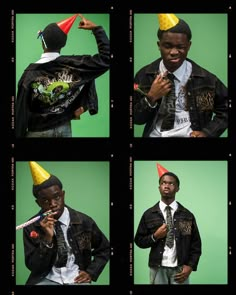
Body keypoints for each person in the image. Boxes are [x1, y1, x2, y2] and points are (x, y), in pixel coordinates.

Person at [15, 13, 110, 137]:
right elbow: (106, 58)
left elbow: (20, 113)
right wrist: (96, 29)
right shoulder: (75, 65)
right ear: (62, 44)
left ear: (43, 43)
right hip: (64, 128)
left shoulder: (29, 75)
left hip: (38, 131)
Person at [133, 13, 228, 137]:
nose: (173, 52)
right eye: (167, 46)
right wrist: (150, 98)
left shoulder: (206, 79)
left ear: (188, 46)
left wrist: (208, 133)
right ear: (159, 45)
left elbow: (226, 108)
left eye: (180, 47)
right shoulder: (144, 76)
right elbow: (136, 119)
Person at [22, 161, 110, 285]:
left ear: (63, 195)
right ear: (39, 203)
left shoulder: (84, 221)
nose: (52, 204)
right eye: (46, 201)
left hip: (76, 278)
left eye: (57, 197)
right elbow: (33, 266)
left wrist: (91, 272)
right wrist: (47, 239)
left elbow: (105, 248)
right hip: (46, 279)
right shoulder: (31, 227)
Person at [134, 164, 202, 284]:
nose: (166, 185)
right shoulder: (149, 214)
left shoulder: (186, 215)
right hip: (157, 268)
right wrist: (155, 236)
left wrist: (190, 266)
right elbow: (139, 240)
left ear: (177, 188)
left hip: (180, 269)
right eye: (163, 183)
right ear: (159, 187)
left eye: (171, 183)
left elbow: (195, 244)